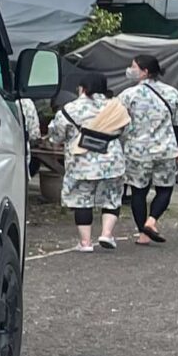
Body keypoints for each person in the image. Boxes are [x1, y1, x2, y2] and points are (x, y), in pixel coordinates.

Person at [50, 70, 130, 253]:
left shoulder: (70, 108)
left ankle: (85, 243)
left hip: (81, 162)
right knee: (111, 198)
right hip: (112, 160)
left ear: (83, 88)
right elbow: (126, 131)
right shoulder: (117, 106)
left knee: (82, 200)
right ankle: (107, 234)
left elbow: (57, 134)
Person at [120, 53, 178, 244]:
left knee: (138, 192)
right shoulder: (171, 92)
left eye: (133, 66)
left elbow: (118, 121)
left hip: (137, 151)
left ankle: (143, 234)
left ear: (144, 71)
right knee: (165, 188)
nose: (130, 69)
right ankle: (151, 221)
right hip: (166, 149)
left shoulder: (128, 95)